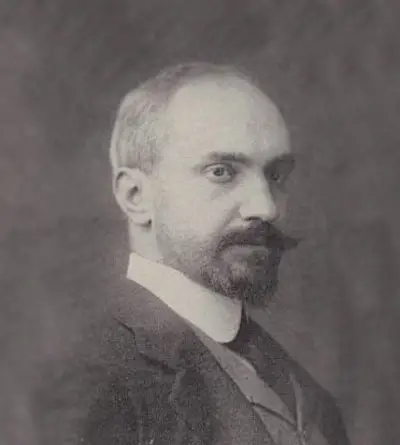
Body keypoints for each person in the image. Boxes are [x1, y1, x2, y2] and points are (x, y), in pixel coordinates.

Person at [36, 63, 350, 445]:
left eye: (275, 175)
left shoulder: (305, 392)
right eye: (222, 172)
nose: (266, 208)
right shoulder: (90, 384)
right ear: (136, 197)